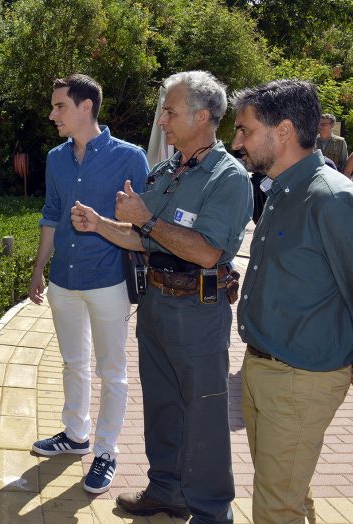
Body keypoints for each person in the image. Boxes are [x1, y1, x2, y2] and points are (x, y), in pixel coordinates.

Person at [71, 70, 253, 522]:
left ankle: (212, 511)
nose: (163, 121)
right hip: (156, 306)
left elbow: (208, 251)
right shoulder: (170, 170)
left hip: (198, 312)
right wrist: (100, 223)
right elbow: (144, 239)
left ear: (204, 115)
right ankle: (167, 490)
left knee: (205, 416)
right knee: (163, 405)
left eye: (170, 112)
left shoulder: (227, 178)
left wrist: (145, 222)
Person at [232, 79, 353, 524]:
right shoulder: (280, 190)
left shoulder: (333, 198)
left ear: (282, 131)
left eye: (245, 130)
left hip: (302, 380)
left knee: (274, 508)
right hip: (262, 368)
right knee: (286, 494)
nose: (236, 142)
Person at [28, 73, 149, 494]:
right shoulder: (55, 158)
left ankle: (106, 451)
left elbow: (144, 222)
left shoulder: (130, 157)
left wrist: (101, 226)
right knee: (72, 363)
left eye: (59, 106)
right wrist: (39, 267)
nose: (52, 114)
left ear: (85, 107)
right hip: (65, 279)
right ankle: (76, 435)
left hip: (109, 280)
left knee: (112, 371)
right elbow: (51, 213)